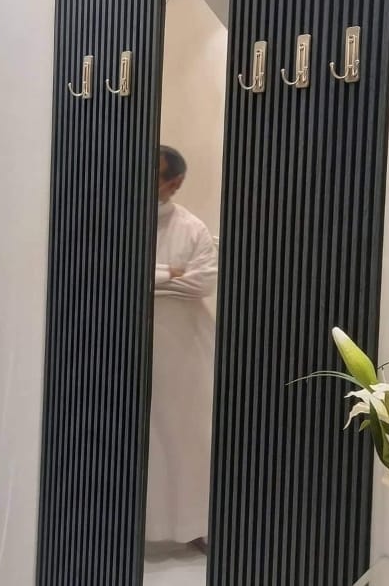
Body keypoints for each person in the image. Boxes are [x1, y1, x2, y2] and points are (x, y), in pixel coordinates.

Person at [146, 146, 218, 548]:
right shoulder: (116, 220)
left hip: (184, 351)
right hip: (130, 348)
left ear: (175, 183)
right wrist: (166, 274)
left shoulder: (192, 229)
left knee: (186, 437)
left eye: (155, 174)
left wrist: (149, 279)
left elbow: (202, 283)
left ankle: (193, 526)